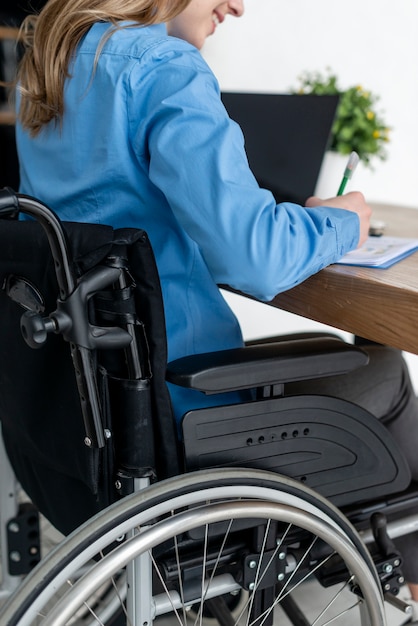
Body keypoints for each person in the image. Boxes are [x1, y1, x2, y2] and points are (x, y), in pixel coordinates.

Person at [11, 0, 418, 612]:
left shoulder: (50, 66)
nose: (238, 4)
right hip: (179, 416)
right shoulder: (162, 68)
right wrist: (341, 222)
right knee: (383, 368)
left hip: (87, 422)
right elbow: (255, 256)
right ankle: (410, 574)